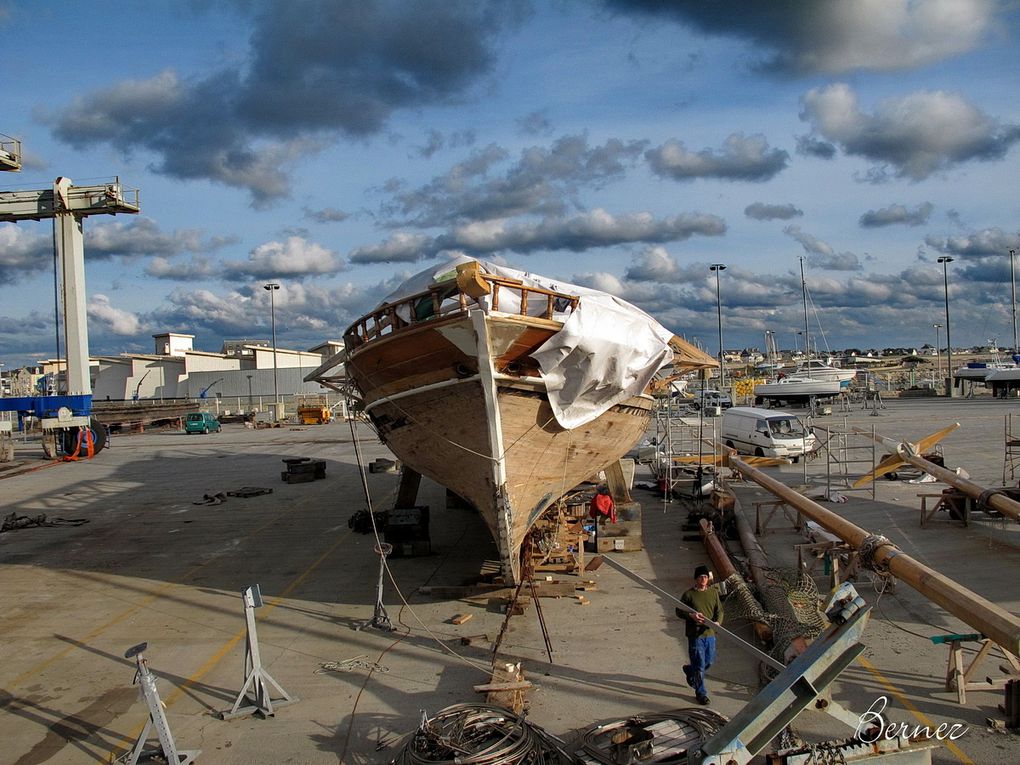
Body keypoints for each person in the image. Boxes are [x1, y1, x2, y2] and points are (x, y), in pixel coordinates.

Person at [678, 564, 723, 705]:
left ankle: (689, 670)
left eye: (705, 577)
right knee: (700, 665)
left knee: (708, 661)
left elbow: (720, 610)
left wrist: (718, 622)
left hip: (709, 634)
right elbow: (678, 611)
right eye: (700, 577)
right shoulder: (688, 595)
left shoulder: (713, 593)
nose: (703, 579)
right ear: (696, 579)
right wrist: (691, 616)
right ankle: (701, 693)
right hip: (695, 635)